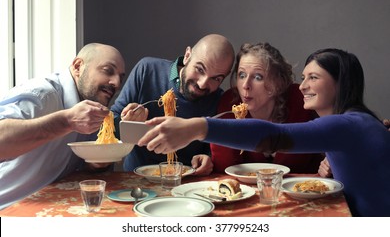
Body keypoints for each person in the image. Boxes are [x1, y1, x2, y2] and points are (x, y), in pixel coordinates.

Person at [138, 48, 390, 217]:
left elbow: (274, 135)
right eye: (303, 77)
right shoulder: (359, 122)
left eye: (313, 77)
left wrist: (196, 127)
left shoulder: (347, 125)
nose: (302, 86)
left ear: (340, 84)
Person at [0, 43, 126, 210]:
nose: (116, 83)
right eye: (108, 70)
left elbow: (78, 168)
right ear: (78, 66)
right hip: (7, 209)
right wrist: (66, 121)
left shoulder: (92, 109)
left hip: (48, 207)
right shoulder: (42, 95)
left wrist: (94, 164)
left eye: (120, 77)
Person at [111, 34, 235, 174]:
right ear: (187, 55)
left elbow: (214, 148)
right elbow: (110, 125)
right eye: (200, 69)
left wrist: (208, 158)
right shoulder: (147, 70)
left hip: (186, 183)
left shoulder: (219, 99)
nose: (202, 83)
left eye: (216, 79)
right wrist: (126, 121)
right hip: (136, 181)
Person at [210, 42, 324, 174]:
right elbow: (223, 167)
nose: (245, 85)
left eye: (258, 77)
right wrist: (218, 131)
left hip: (305, 189)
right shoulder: (230, 102)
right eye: (241, 75)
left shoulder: (300, 99)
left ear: (278, 83)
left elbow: (326, 139)